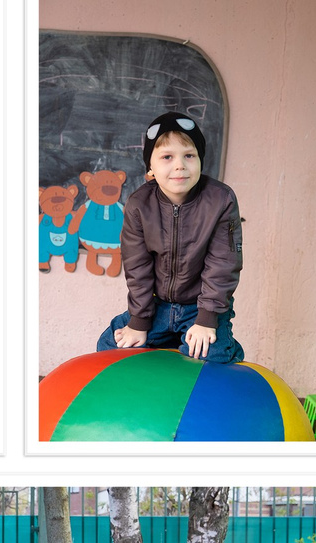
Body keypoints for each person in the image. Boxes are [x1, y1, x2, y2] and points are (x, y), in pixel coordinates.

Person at [93, 111, 246, 364]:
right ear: (150, 168)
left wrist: (207, 320)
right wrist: (139, 321)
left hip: (201, 305)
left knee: (211, 355)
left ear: (200, 160)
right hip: (157, 307)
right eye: (167, 157)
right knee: (109, 345)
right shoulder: (139, 205)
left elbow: (223, 263)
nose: (179, 165)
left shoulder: (221, 200)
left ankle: (227, 345)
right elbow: (137, 267)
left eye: (189, 155)